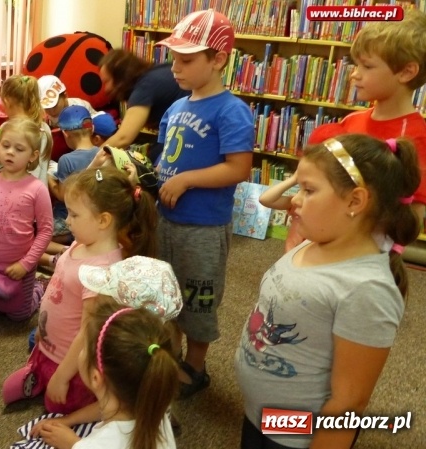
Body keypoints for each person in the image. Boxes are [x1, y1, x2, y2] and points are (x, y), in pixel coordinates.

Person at [236, 134, 421, 449]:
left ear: (354, 201)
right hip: (259, 415)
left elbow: (349, 400)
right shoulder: (312, 243)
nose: (294, 199)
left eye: (308, 190)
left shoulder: (366, 289)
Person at [2, 166, 158, 415]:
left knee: (54, 405)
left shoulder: (103, 272)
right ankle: (41, 372)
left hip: (71, 361)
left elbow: (88, 333)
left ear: (103, 220)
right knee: (10, 390)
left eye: (74, 214)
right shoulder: (81, 242)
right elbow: (64, 267)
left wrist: (63, 377)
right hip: (47, 344)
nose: (67, 221)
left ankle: (91, 400)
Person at [154, 9, 254, 399]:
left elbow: (239, 168)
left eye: (187, 60)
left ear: (218, 60)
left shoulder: (232, 110)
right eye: (174, 59)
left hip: (203, 227)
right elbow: (166, 159)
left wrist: (187, 179)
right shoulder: (176, 108)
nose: (175, 68)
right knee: (167, 294)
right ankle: (171, 356)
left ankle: (195, 368)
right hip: (167, 221)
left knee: (198, 297)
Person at [29, 256, 183, 449]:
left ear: (96, 377)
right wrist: (69, 420)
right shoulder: (153, 393)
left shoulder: (100, 444)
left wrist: (73, 444)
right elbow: (110, 405)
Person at [323, 9, 426, 226]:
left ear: (406, 72)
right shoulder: (350, 122)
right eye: (356, 65)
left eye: (367, 66)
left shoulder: (418, 137)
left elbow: (413, 216)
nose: (354, 74)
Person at [0, 117, 54, 321]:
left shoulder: (37, 189)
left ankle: (39, 287)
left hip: (20, 266)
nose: (10, 152)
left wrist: (26, 264)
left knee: (19, 316)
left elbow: (45, 230)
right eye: (6, 146)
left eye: (19, 149)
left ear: (33, 156)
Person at [96, 50, 189, 164]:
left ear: (121, 76)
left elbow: (123, 138)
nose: (106, 89)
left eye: (107, 81)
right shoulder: (157, 72)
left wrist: (90, 160)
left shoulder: (145, 86)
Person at [49, 105, 100, 243]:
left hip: (67, 221)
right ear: (92, 129)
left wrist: (48, 177)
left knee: (39, 236)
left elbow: (62, 196)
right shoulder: (101, 153)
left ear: (65, 133)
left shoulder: (66, 160)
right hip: (93, 219)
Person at [0, 75, 54, 184]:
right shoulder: (45, 128)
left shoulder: (7, 128)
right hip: (39, 191)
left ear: (7, 101)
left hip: (18, 191)